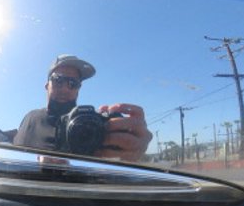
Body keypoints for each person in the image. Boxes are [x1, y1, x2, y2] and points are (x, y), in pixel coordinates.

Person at [13, 54, 152, 162]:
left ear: (78, 89)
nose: (65, 88)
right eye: (58, 80)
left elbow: (114, 165)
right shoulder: (30, 118)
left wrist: (132, 147)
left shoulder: (94, 126)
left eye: (73, 83)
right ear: (46, 85)